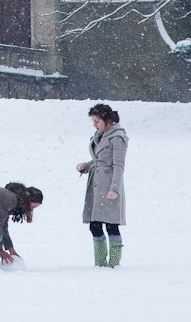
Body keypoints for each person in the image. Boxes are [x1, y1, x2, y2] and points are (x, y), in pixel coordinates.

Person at [77, 103, 128, 267]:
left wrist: (114, 188)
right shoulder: (99, 136)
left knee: (111, 225)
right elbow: (99, 159)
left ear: (107, 120)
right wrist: (86, 166)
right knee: (95, 225)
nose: (95, 125)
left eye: (97, 121)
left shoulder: (118, 137)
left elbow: (118, 165)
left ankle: (114, 262)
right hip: (96, 186)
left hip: (109, 186)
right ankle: (100, 262)